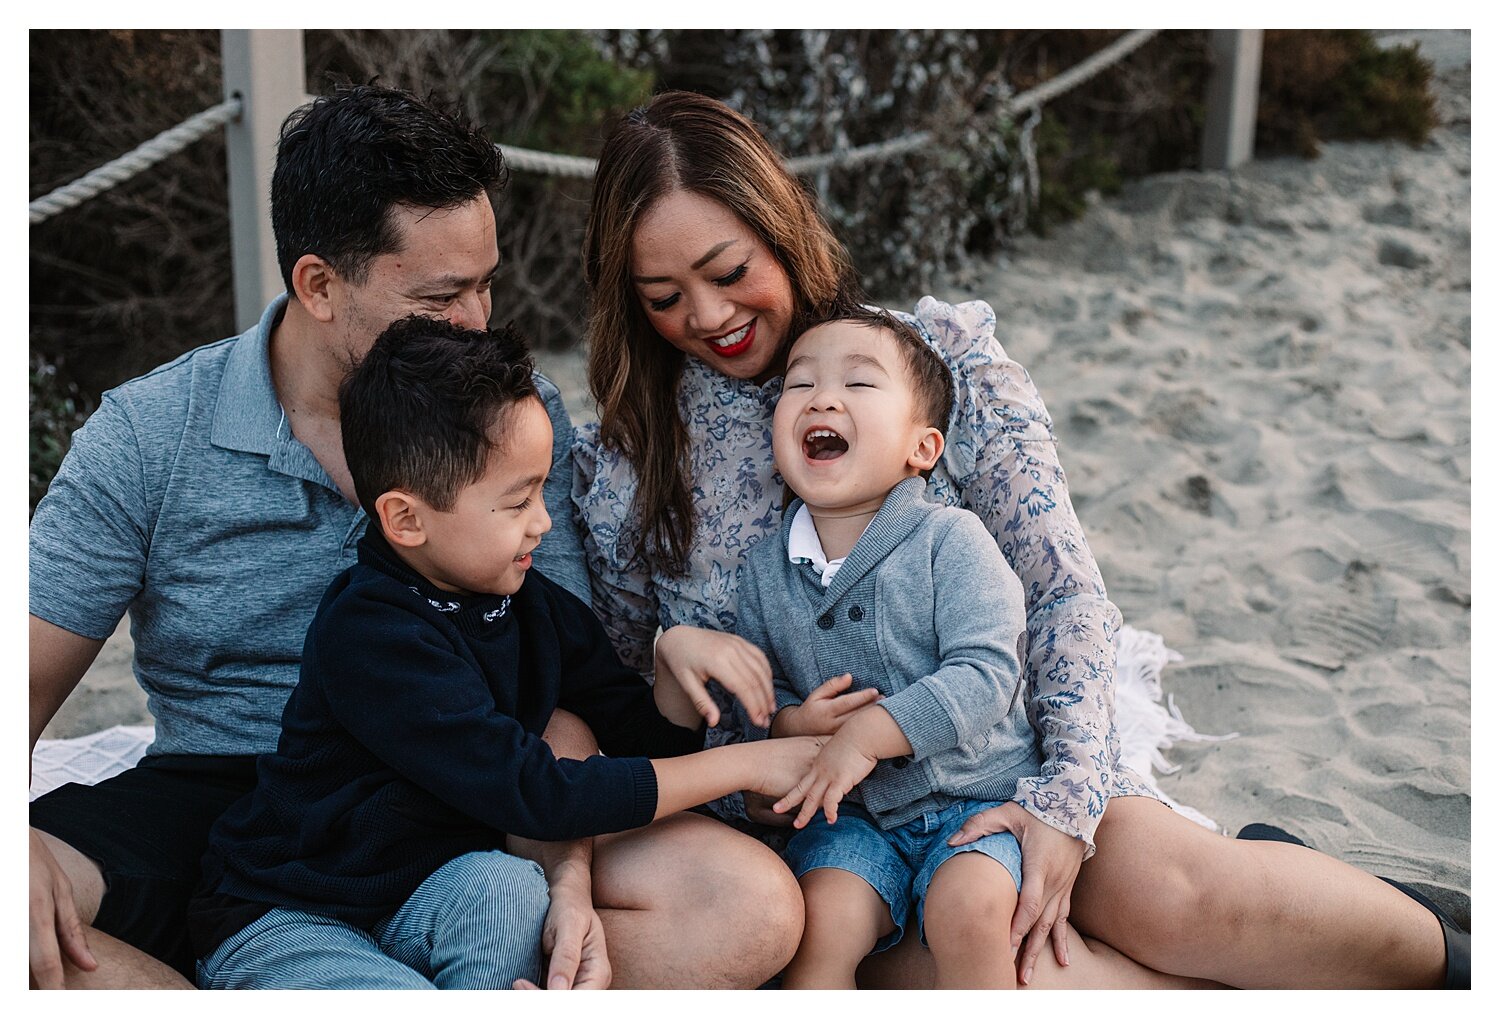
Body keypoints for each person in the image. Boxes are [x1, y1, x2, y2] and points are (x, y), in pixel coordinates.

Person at [572, 89, 1467, 989]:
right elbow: (636, 722)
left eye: (730, 271)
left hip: (1005, 760)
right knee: (1039, 975)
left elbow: (1063, 593)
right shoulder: (629, 470)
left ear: (782, 229)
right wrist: (725, 707)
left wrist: (1065, 802)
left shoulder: (937, 365)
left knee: (1179, 896)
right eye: (664, 296)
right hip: (825, 846)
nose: (708, 314)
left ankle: (1445, 953)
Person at [29, 83, 805, 991]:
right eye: (443, 295)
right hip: (221, 797)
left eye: (486, 283)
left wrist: (567, 878)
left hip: (465, 804)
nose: (478, 322)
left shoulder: (512, 421)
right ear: (319, 284)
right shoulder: (150, 432)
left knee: (749, 903)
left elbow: (550, 685)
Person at [189, 315, 820, 989]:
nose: (543, 521)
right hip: (294, 912)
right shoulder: (372, 634)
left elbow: (638, 745)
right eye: (517, 501)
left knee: (512, 887)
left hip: (428, 896)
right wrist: (746, 762)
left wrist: (673, 663)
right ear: (406, 518)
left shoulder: (530, 607)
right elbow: (539, 793)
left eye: (541, 491)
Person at [740, 307, 1042, 989]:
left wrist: (870, 733)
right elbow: (758, 697)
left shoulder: (950, 540)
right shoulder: (764, 573)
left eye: (860, 384)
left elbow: (989, 671)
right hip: (853, 819)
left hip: (974, 800)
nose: (823, 397)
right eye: (799, 384)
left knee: (972, 909)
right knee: (822, 923)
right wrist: (787, 722)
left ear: (922, 448)